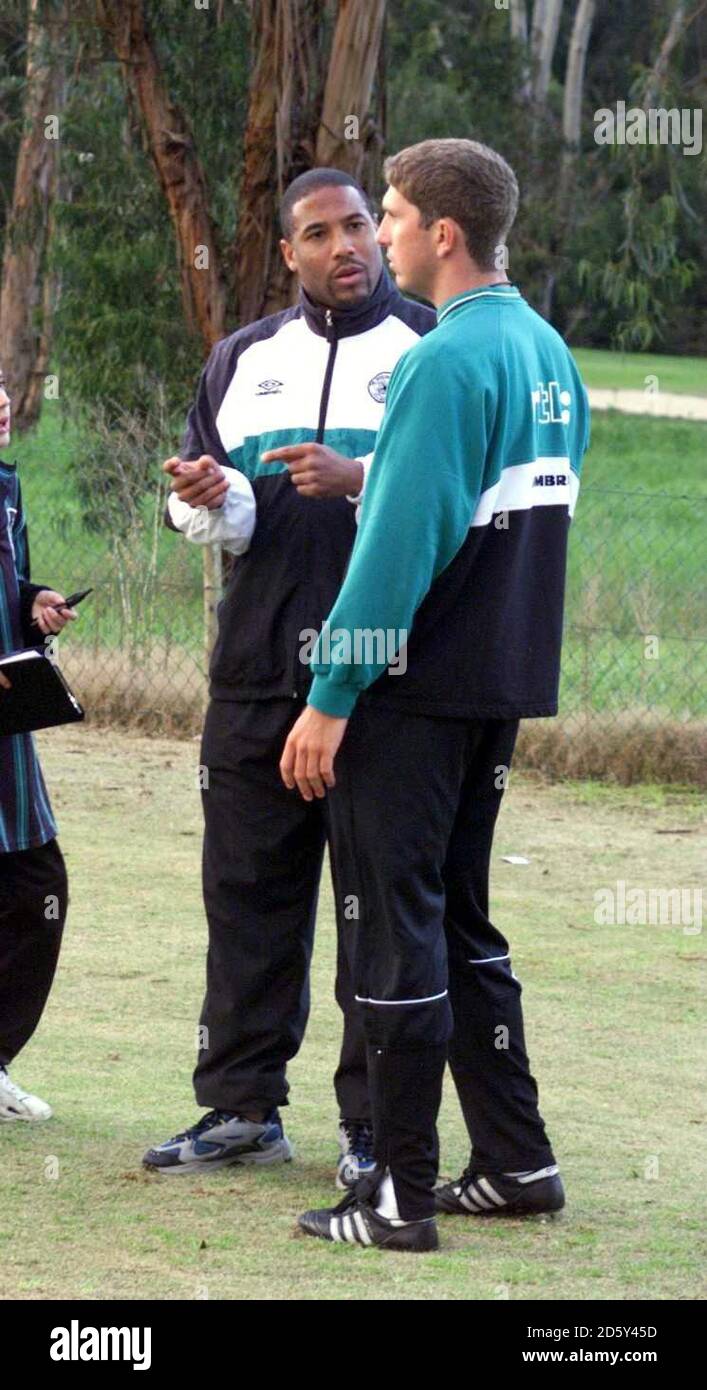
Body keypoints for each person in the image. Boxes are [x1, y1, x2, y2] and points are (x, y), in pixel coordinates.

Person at [280, 138, 590, 1251]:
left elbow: (400, 551)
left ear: (440, 234)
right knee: (460, 922)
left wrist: (330, 694)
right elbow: (486, 514)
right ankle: (515, 1160)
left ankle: (399, 1196)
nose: (384, 232)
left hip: (410, 697)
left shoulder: (440, 360)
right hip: (494, 689)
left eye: (395, 214)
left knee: (387, 931)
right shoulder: (547, 354)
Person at [142, 169, 435, 1181]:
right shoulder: (241, 360)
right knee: (246, 899)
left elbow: (456, 509)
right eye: (318, 232)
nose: (343, 244)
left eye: (358, 224)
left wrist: (360, 480)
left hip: (385, 685)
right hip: (255, 677)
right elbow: (215, 522)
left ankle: (370, 1131)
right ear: (289, 252)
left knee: (374, 915)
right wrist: (211, 492)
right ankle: (239, 1108)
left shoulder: (429, 350)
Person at [0, 365, 76, 1121]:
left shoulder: (6, 489)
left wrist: (34, 604)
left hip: (7, 725)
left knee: (37, 892)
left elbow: (10, 586)